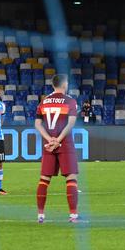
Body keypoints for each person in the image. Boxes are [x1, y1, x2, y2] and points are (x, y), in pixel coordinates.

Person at [35, 75, 80, 224]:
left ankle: (40, 215)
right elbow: (71, 123)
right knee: (71, 178)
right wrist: (58, 140)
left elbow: (37, 124)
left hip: (48, 145)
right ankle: (73, 216)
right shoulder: (70, 101)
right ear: (64, 84)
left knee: (44, 179)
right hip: (65, 143)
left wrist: (49, 140)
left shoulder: (44, 102)